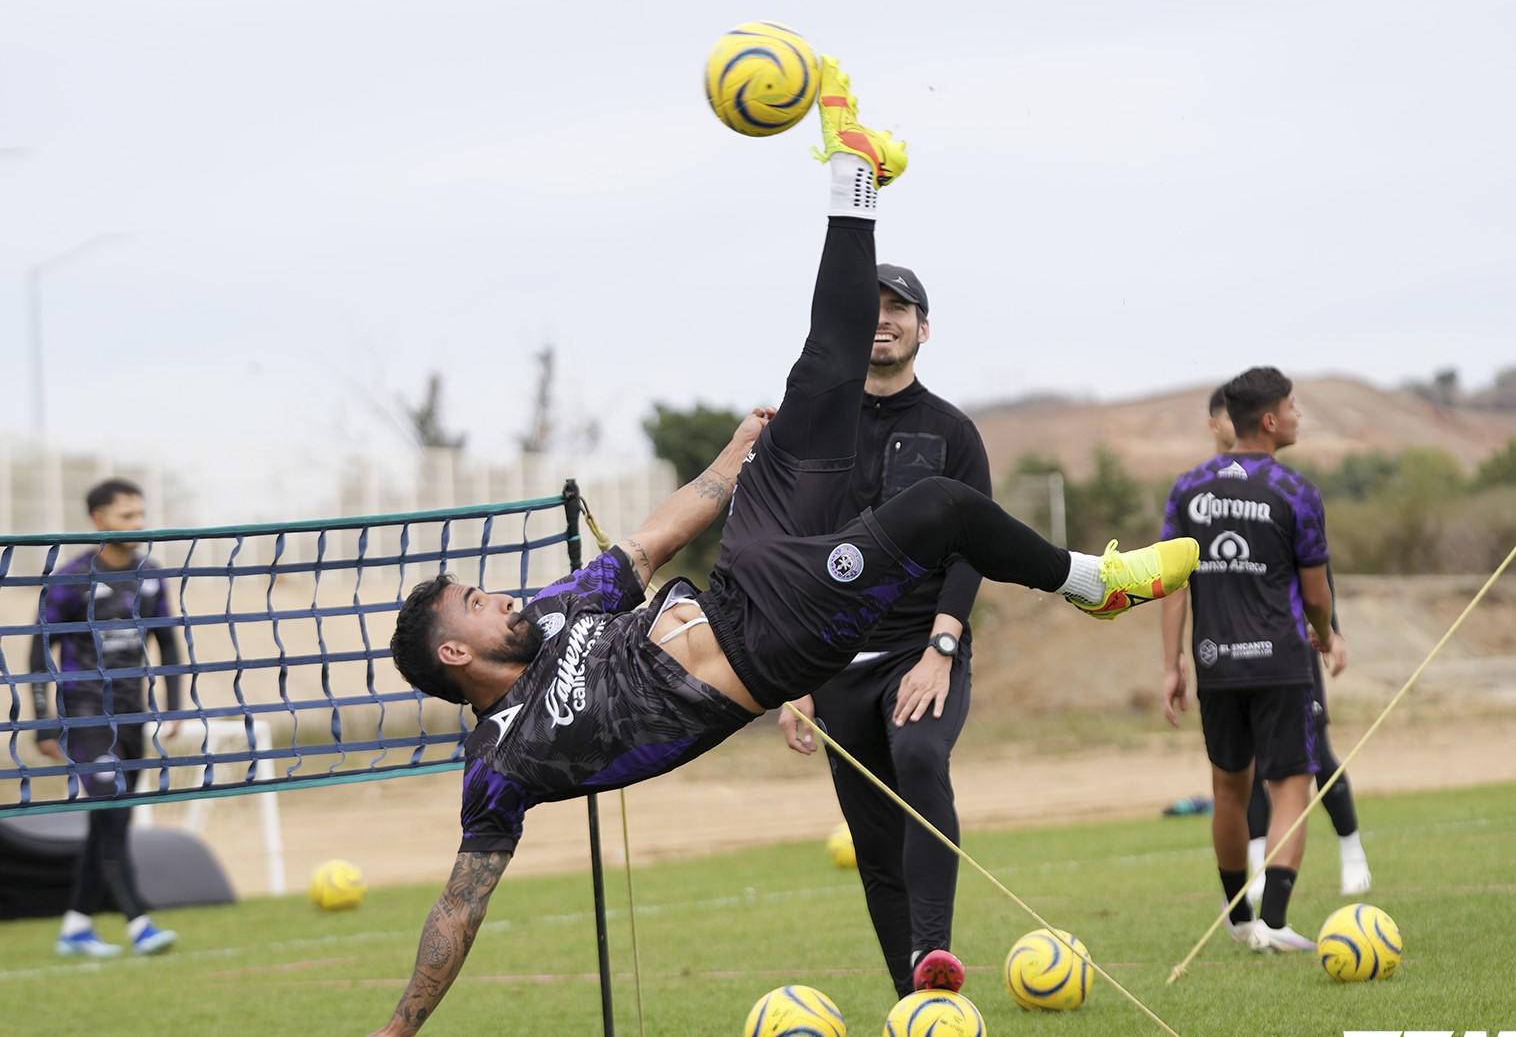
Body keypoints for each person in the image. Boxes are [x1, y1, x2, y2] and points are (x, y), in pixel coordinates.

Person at [370, 59, 1199, 1036]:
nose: (501, 597)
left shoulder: (552, 613)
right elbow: (457, 906)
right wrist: (400, 1026)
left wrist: (732, 462)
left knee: (819, 372)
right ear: (453, 651)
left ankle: (853, 174)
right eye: (477, 603)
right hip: (776, 640)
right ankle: (1094, 582)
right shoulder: (498, 767)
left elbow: (649, 542)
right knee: (938, 506)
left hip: (743, 570)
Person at [777, 262, 989, 997]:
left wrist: (940, 649)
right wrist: (797, 679)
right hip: (835, 662)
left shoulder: (954, 433)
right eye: (870, 306)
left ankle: (933, 953)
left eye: (899, 307)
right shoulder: (814, 432)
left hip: (920, 651)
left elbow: (972, 552)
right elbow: (794, 557)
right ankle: (916, 1002)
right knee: (873, 841)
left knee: (921, 754)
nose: (883, 318)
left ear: (923, 328)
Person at [1159, 368, 1335, 953]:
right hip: (1280, 663)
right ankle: (1276, 923)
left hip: (1215, 665)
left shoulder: (1187, 489)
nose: (1298, 416)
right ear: (1270, 419)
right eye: (1293, 406)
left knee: (1228, 790)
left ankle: (1239, 919)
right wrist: (1325, 634)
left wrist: (1172, 665)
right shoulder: (1295, 491)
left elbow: (1170, 584)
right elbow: (1315, 593)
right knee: (1290, 787)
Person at [1181, 388, 1371, 907]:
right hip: (1225, 657)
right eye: (1225, 419)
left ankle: (1352, 852)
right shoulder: (1199, 493)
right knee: (1244, 774)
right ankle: (1258, 880)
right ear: (1216, 425)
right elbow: (1181, 580)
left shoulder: (1282, 489)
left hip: (1287, 650)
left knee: (1314, 757)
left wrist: (1332, 632)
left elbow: (1314, 573)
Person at [30, 478, 181, 958]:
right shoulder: (70, 580)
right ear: (99, 520)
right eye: (127, 516)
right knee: (111, 810)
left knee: (111, 820)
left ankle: (75, 926)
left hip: (133, 713)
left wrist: (176, 703)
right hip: (86, 717)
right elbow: (39, 649)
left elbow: (168, 641)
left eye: (140, 514)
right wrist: (44, 723)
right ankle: (139, 922)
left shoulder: (150, 575)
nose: (138, 524)